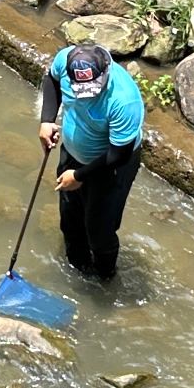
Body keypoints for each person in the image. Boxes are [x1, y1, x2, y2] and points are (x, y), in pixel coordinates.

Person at [37, 41, 144, 281]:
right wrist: (46, 120)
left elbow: (119, 154)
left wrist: (79, 176)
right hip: (73, 153)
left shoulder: (124, 100)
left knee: (99, 229)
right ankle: (76, 270)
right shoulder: (65, 60)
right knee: (70, 218)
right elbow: (51, 81)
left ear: (106, 70)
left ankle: (105, 279)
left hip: (111, 165)